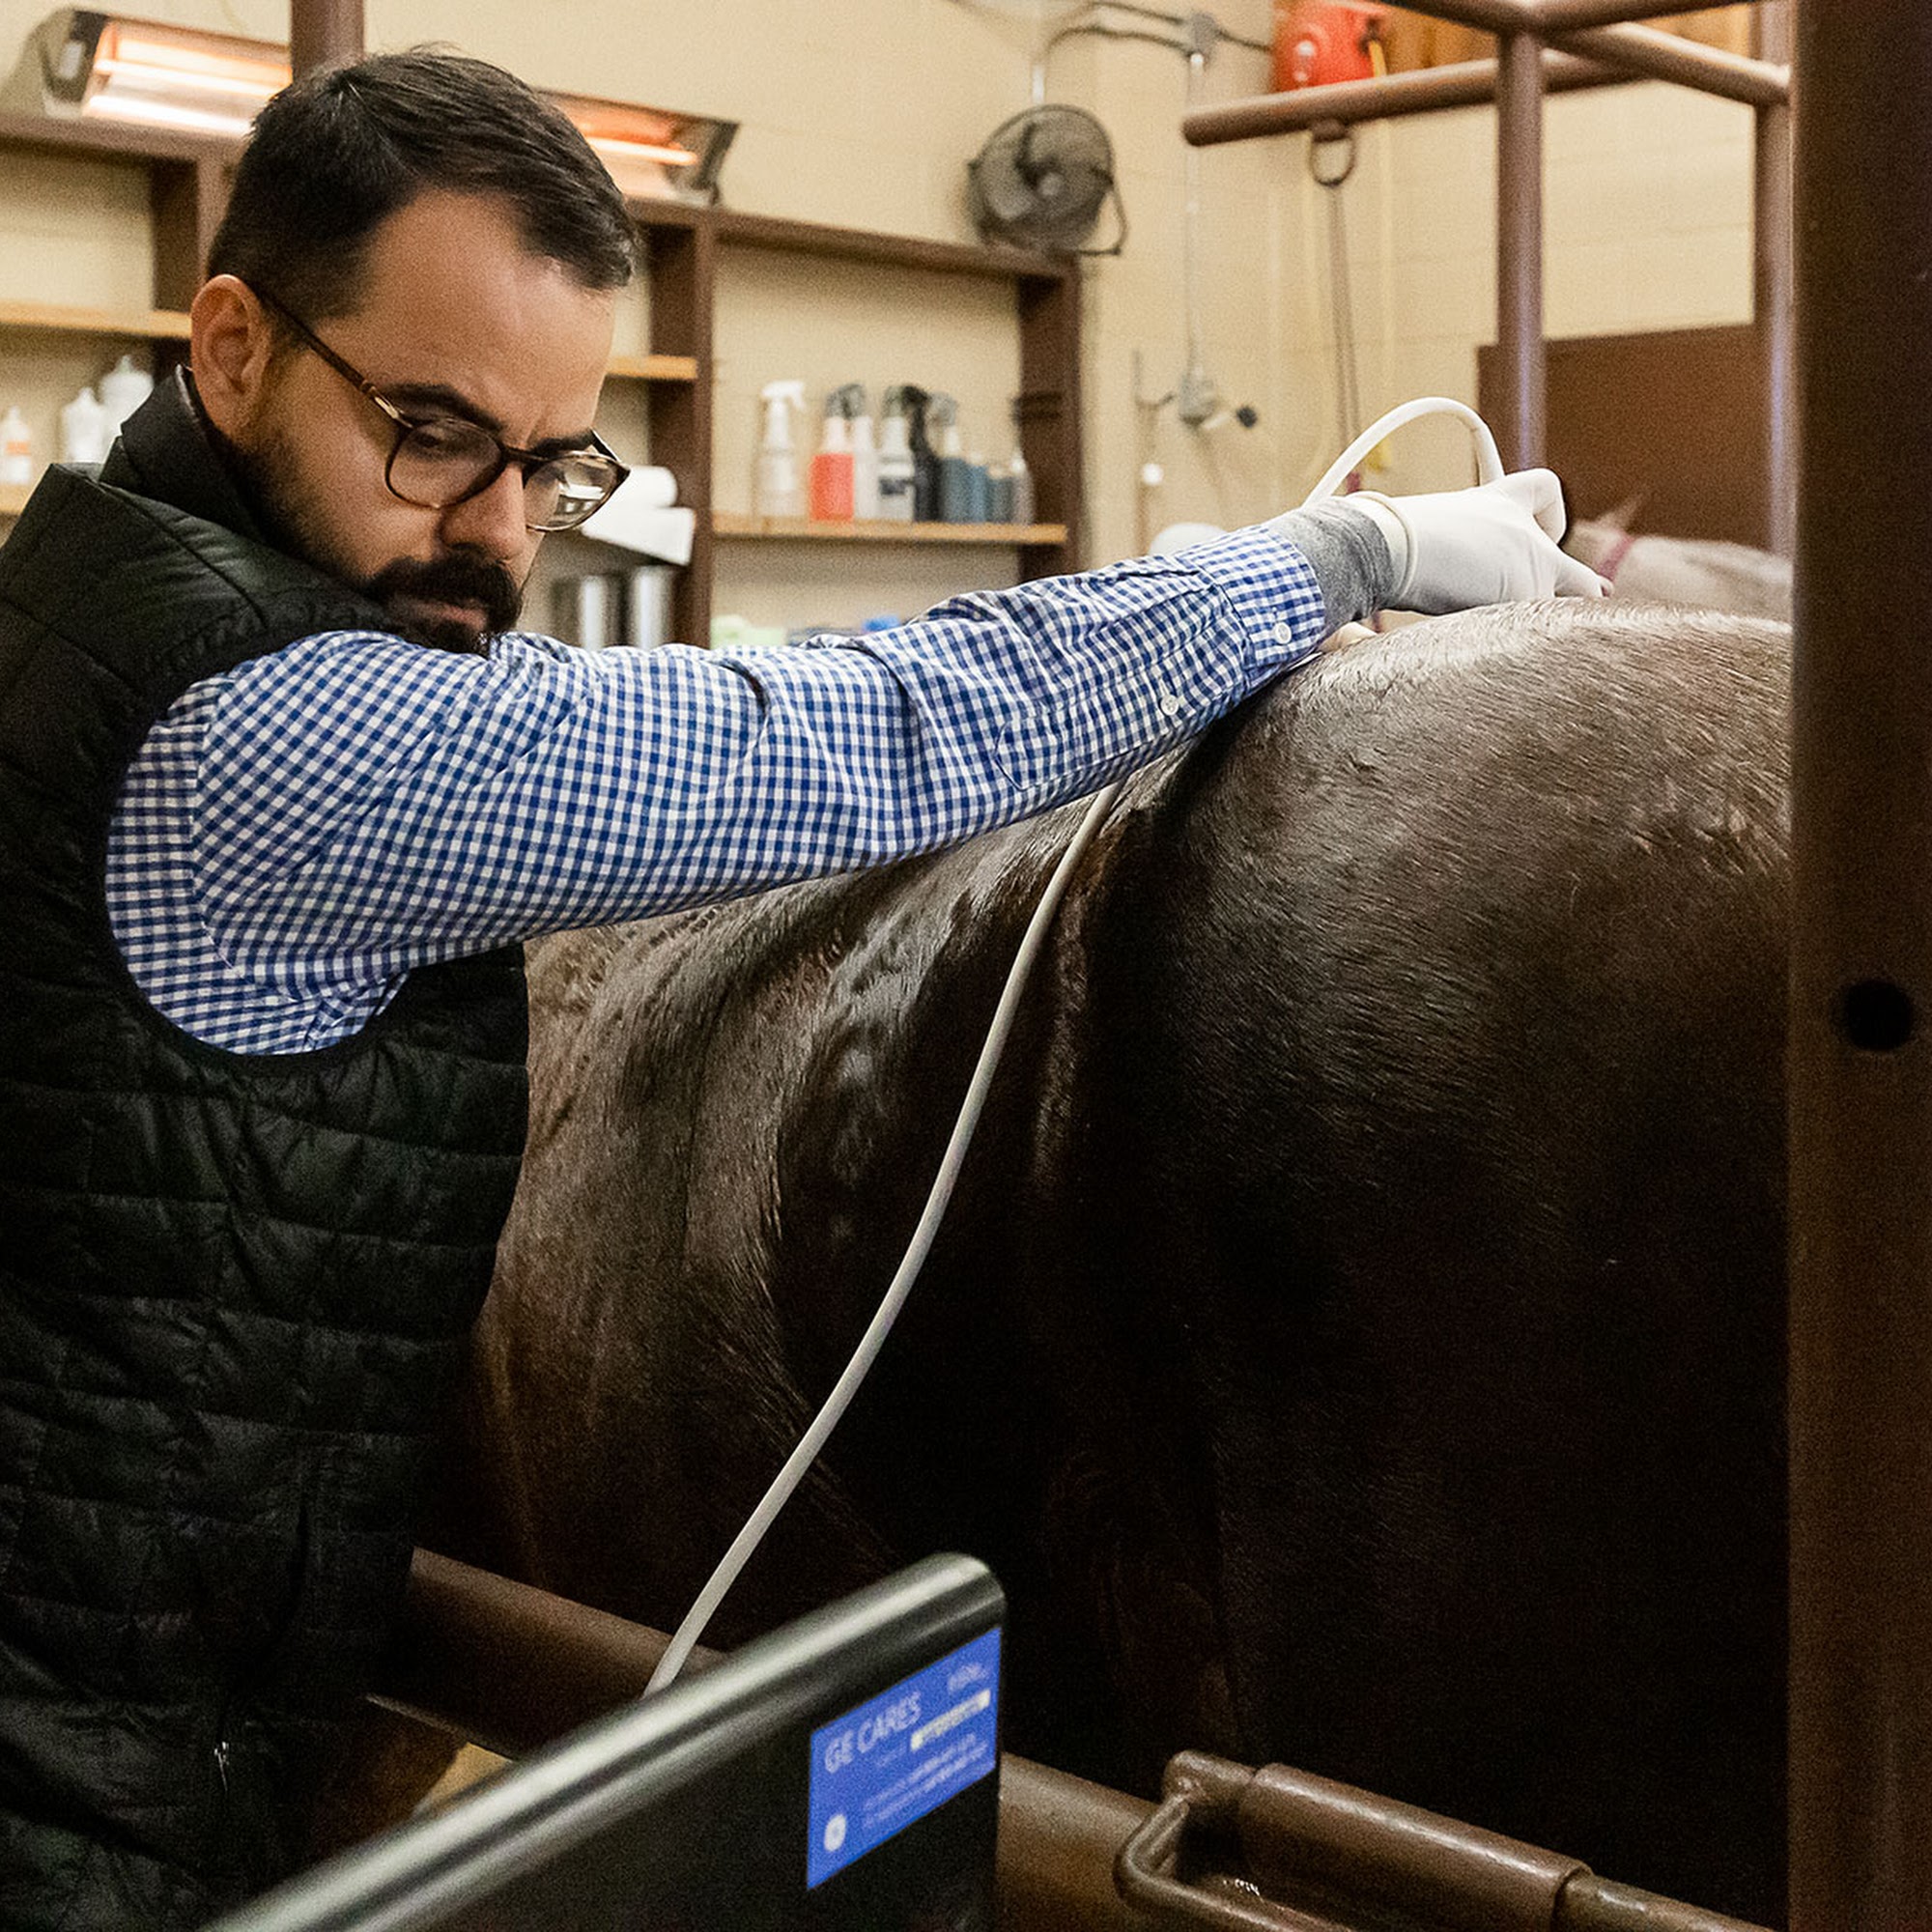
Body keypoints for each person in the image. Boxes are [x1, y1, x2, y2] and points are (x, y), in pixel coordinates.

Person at [0, 44, 1604, 1931]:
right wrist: (1344, 551)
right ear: (233, 345)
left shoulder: (94, 587)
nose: (500, 529)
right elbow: (844, 734)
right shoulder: (263, 732)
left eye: (554, 462)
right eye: (434, 434)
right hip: (78, 1773)